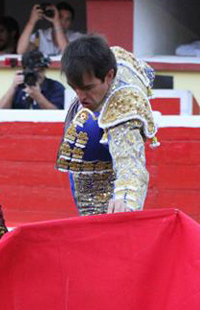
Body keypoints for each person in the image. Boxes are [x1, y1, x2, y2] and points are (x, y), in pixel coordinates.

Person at [56, 35, 158, 215]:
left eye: (87, 88)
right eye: (74, 88)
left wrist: (125, 198)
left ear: (109, 76)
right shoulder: (103, 61)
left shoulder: (123, 104)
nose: (80, 96)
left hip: (107, 186)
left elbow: (130, 161)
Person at [0, 49, 64, 110]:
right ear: (25, 70)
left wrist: (37, 96)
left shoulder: (55, 87)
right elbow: (1, 110)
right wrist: (13, 87)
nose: (38, 75)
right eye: (34, 71)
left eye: (40, 70)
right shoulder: (19, 86)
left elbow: (57, 114)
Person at [17, 2, 83, 57]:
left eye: (67, 19)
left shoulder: (77, 37)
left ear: (71, 22)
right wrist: (32, 21)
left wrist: (56, 22)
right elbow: (21, 51)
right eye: (60, 17)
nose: (63, 22)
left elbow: (67, 53)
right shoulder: (39, 36)